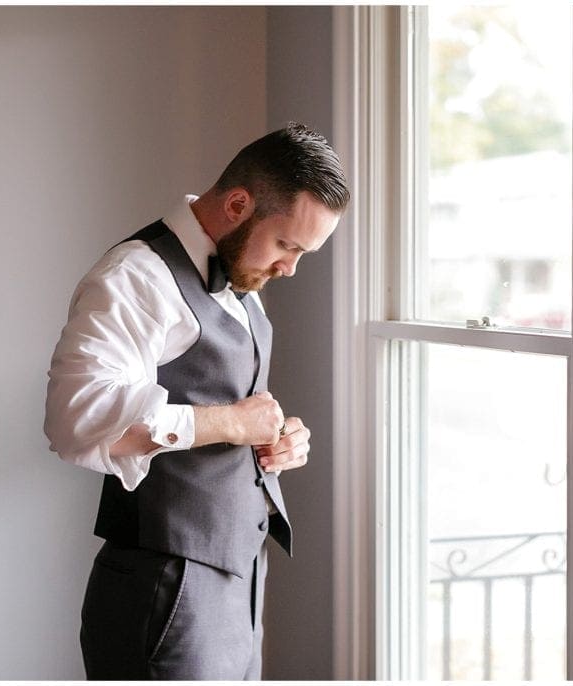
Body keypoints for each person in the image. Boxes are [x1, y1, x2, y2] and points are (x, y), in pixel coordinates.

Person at [44, 122, 349, 680]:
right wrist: (231, 421)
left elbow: (217, 397)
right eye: (287, 244)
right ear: (238, 204)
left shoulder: (239, 277)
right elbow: (75, 417)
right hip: (167, 589)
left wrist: (274, 437)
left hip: (239, 582)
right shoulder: (136, 276)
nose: (290, 267)